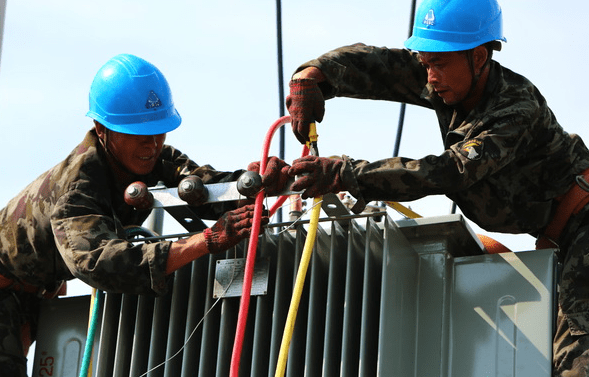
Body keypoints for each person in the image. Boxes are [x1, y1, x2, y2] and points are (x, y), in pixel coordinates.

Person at [275, 0, 589, 375]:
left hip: (583, 225)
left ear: (478, 57)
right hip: (559, 234)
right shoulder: (446, 79)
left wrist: (347, 173)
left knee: (577, 358)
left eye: (438, 64)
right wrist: (313, 75)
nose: (430, 76)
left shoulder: (515, 108)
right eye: (425, 63)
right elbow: (380, 65)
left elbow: (450, 171)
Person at [0, 53, 268, 376]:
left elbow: (201, 186)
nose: (152, 145)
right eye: (139, 134)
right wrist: (204, 242)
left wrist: (254, 185)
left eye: (159, 132)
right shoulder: (78, 186)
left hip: (32, 288)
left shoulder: (151, 157)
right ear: (102, 130)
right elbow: (102, 262)